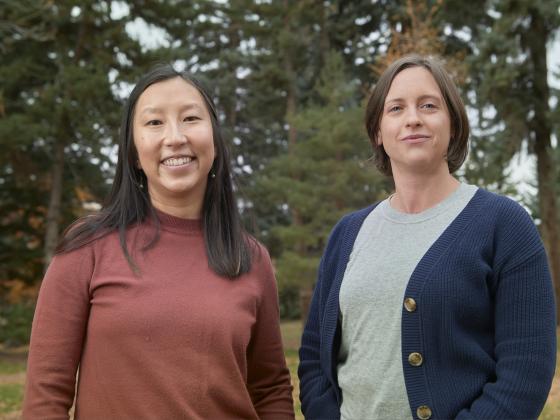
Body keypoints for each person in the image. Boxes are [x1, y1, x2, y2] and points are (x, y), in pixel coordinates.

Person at [23, 64, 294, 419]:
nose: (175, 136)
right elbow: (46, 391)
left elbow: (270, 388)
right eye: (154, 122)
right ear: (134, 152)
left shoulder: (251, 258)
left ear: (214, 140)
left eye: (191, 119)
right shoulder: (87, 246)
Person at [298, 54, 556, 420]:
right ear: (377, 132)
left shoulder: (504, 224)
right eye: (396, 108)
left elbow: (525, 372)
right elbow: (313, 358)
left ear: (453, 123)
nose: (413, 118)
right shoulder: (347, 233)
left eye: (429, 105)